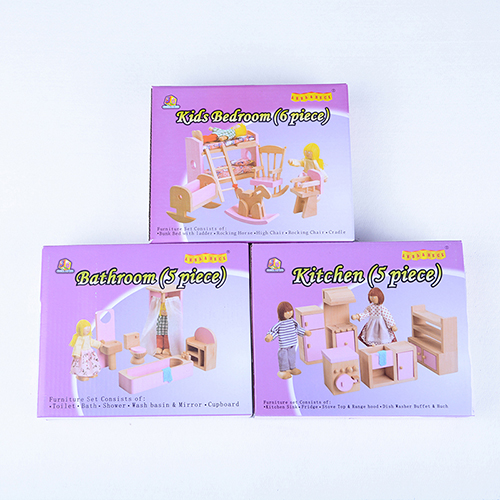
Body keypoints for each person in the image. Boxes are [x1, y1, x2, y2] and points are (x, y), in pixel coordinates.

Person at [265, 301, 311, 379]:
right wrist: (270, 336)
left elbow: (298, 329)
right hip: (284, 345)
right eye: (286, 312)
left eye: (290, 311)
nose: (289, 313)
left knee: (292, 356)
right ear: (281, 313)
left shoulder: (293, 322)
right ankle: (283, 371)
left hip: (292, 343)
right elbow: (274, 331)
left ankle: (292, 368)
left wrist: (305, 332)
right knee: (283, 357)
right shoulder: (280, 324)